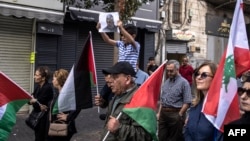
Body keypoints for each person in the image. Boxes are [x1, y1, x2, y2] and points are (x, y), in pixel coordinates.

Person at [100, 61, 152, 141]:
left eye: (115, 77)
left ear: (127, 79)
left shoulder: (140, 101)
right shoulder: (117, 95)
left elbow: (145, 136)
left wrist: (119, 128)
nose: (111, 82)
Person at [184, 61, 223, 141]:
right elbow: (187, 131)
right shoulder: (195, 104)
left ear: (215, 79)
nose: (198, 77)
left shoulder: (221, 107)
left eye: (204, 75)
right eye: (197, 74)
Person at [157, 59, 192, 141]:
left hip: (176, 113)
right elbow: (163, 100)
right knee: (161, 137)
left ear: (177, 69)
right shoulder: (166, 82)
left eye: (171, 71)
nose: (169, 73)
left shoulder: (184, 83)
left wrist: (179, 115)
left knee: (174, 138)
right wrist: (159, 113)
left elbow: (187, 102)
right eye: (167, 71)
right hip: (164, 114)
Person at [47, 69, 81, 141]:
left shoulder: (67, 94)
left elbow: (78, 105)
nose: (52, 81)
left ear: (59, 80)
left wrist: (68, 117)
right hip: (56, 126)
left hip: (63, 127)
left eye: (53, 79)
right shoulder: (59, 92)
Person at [28, 66, 53, 141]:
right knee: (38, 136)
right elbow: (29, 100)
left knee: (41, 137)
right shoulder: (38, 86)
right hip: (39, 119)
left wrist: (34, 101)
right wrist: (33, 101)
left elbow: (37, 104)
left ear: (43, 78)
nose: (34, 77)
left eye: (36, 75)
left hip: (44, 119)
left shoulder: (47, 88)